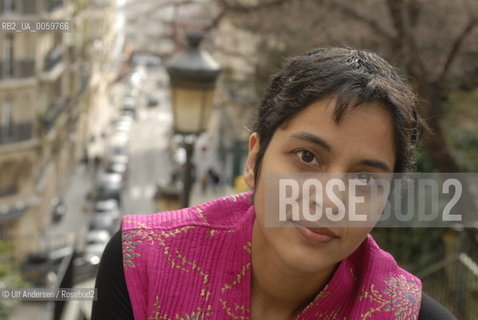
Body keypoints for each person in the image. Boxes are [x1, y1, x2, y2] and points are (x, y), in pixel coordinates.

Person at [91, 48, 456, 319]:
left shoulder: (407, 314)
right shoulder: (141, 263)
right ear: (255, 160)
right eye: (307, 157)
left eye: (364, 179)